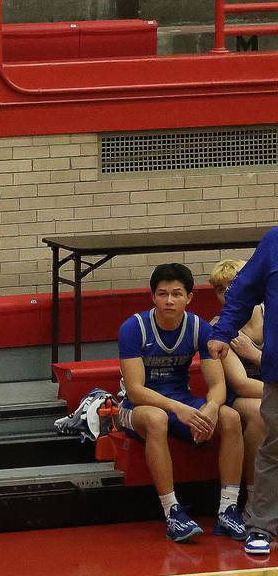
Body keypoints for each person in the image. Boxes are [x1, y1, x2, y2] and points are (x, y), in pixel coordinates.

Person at [119, 263, 243, 544]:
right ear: (152, 297)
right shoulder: (134, 327)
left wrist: (210, 409)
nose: (169, 301)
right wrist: (178, 408)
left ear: (189, 297)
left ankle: (228, 508)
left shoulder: (199, 326)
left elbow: (218, 385)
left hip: (182, 400)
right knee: (156, 418)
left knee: (231, 417)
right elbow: (136, 391)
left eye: (176, 294)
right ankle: (172, 511)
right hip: (136, 408)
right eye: (162, 294)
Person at [209, 231, 278, 558]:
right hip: (277, 372)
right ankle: (261, 525)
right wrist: (223, 331)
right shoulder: (274, 241)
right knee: (274, 447)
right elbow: (242, 290)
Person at [210, 260, 265, 523]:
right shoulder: (222, 327)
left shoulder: (271, 316)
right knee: (259, 411)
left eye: (233, 285)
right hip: (238, 398)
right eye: (221, 289)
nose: (228, 293)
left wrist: (254, 354)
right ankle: (254, 500)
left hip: (269, 389)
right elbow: (240, 383)